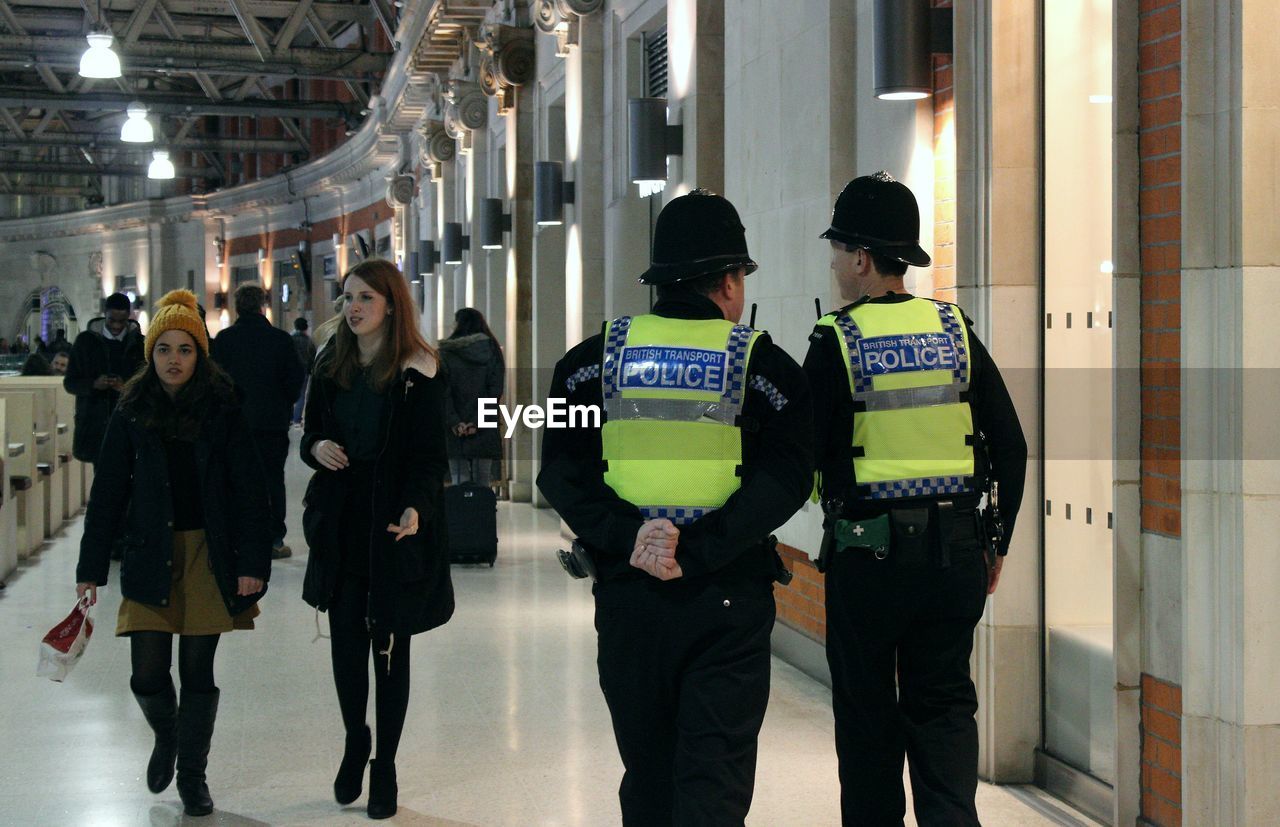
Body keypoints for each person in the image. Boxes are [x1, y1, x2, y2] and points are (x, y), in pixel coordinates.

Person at [537, 190, 813, 825]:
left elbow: (561, 470)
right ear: (727, 280)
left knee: (650, 777)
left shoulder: (590, 364)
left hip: (630, 600)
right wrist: (702, 548)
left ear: (660, 281)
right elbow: (789, 475)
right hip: (727, 600)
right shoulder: (762, 365)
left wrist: (629, 537)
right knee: (711, 781)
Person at [804, 172, 1028, 825]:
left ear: (863, 258)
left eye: (839, 249)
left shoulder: (836, 341)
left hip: (866, 559)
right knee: (944, 712)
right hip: (955, 554)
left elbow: (803, 454)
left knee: (868, 721)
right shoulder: (955, 331)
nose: (834, 262)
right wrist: (995, 542)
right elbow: (1010, 447)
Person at [74, 289, 272, 817]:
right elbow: (108, 493)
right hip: (149, 551)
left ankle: (193, 777)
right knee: (147, 674)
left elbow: (252, 491)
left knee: (198, 673)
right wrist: (90, 569)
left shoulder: (223, 408)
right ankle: (169, 736)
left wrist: (254, 562)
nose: (174, 360)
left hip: (209, 554)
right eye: (165, 349)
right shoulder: (132, 409)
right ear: (151, 353)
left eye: (185, 349)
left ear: (200, 353)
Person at [300, 259, 454, 820]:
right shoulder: (329, 363)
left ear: (391, 304)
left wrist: (417, 507)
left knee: (390, 652)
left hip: (392, 526)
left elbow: (430, 457)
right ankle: (353, 739)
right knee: (345, 648)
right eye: (347, 298)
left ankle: (384, 764)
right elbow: (310, 432)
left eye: (366, 297)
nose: (354, 307)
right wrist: (316, 448)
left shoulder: (420, 369)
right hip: (342, 523)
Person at [210, 284, 305, 559]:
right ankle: (274, 538)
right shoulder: (280, 340)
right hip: (271, 424)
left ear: (237, 307)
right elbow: (295, 379)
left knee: (235, 479)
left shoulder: (225, 340)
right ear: (263, 305)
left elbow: (215, 381)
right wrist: (282, 404)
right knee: (272, 480)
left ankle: (238, 535)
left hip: (234, 423)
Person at [64, 292, 144, 464]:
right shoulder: (85, 342)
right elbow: (70, 383)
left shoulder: (139, 345)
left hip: (129, 423)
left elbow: (148, 385)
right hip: (94, 425)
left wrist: (126, 388)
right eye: (111, 320)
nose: (116, 326)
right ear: (104, 315)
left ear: (129, 317)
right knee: (102, 481)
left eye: (121, 321)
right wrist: (93, 384)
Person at [439, 307, 505, 486]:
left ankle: (462, 513)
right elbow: (494, 392)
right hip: (484, 426)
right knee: (482, 479)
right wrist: (477, 422)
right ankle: (481, 513)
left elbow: (443, 393)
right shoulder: (492, 350)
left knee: (458, 479)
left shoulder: (445, 353)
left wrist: (456, 422)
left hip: (455, 430)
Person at [291, 317, 318, 424]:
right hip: (304, 371)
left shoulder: (291, 339)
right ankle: (297, 418)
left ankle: (290, 416)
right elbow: (312, 356)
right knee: (302, 395)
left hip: (292, 370)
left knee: (291, 393)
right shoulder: (309, 341)